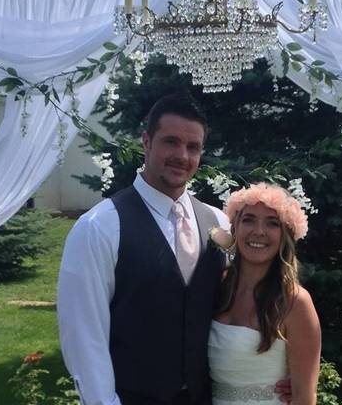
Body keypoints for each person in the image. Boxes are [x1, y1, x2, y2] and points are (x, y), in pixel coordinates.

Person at [57, 93, 230, 405]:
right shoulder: (99, 227)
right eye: (171, 142)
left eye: (193, 147)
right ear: (146, 142)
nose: (182, 155)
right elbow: (84, 336)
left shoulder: (218, 222)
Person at [209, 183, 321, 405]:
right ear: (235, 227)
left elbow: (304, 397)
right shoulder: (216, 285)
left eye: (272, 223)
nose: (258, 231)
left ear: (285, 235)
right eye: (249, 219)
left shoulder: (295, 302)